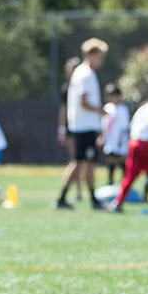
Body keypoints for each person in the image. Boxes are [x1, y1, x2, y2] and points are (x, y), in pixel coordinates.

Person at [55, 38, 108, 210]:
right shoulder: (85, 74)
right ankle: (76, 199)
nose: (101, 60)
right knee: (82, 163)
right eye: (100, 56)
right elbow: (83, 102)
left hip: (83, 126)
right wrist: (101, 111)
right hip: (84, 127)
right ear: (91, 55)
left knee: (83, 163)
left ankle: (86, 198)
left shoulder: (82, 72)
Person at [109, 87, 148, 212]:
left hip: (134, 142)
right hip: (147, 144)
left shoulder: (142, 108)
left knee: (130, 175)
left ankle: (117, 202)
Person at [56, 56, 83, 201]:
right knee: (75, 160)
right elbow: (63, 109)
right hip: (71, 128)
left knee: (82, 162)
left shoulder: (83, 84)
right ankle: (76, 191)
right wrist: (62, 129)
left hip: (83, 127)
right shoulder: (67, 88)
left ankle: (80, 191)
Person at [101, 83, 130, 185]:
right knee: (110, 159)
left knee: (121, 160)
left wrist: (121, 141)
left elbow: (124, 127)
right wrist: (101, 137)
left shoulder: (122, 109)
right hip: (109, 139)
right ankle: (110, 181)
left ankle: (124, 182)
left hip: (119, 140)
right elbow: (103, 124)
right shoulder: (107, 107)